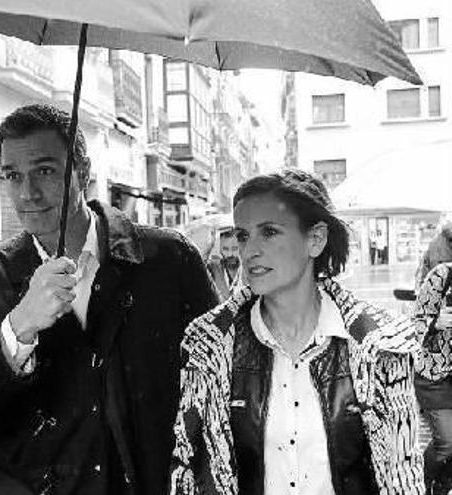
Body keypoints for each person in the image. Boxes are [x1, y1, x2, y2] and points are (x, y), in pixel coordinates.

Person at [0, 104, 217, 494]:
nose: (28, 193)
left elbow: (217, 380)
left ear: (83, 172)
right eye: (11, 175)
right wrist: (18, 325)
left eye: (45, 171)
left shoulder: (167, 260)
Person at [170, 169, 424, 495]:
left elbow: (403, 478)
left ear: (315, 239)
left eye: (270, 232)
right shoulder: (210, 346)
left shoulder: (378, 346)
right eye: (243, 235)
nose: (249, 251)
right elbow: (187, 469)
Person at [415, 261, 452, 493]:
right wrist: (436, 323)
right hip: (434, 375)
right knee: (448, 443)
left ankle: (440, 488)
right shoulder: (442, 275)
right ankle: (421, 483)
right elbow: (417, 322)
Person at [206, 228, 240, 300]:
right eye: (225, 249)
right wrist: (208, 248)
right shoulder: (213, 267)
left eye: (235, 248)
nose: (230, 254)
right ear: (220, 248)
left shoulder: (249, 269)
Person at [416, 218, 452, 287]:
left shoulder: (433, 243)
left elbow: (424, 266)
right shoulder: (434, 243)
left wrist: (420, 286)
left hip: (436, 285)